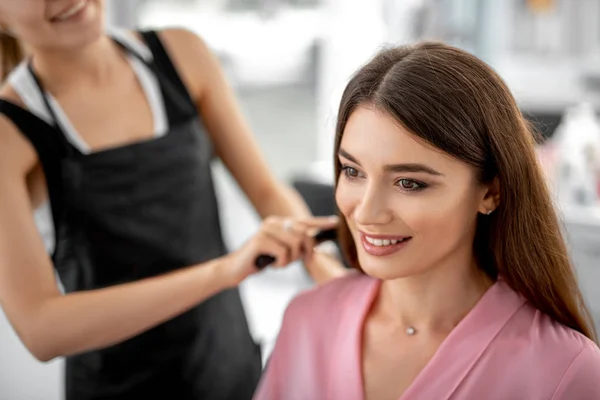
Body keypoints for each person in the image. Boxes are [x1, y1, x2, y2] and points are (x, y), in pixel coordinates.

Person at [0, 1, 348, 399]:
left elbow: (266, 191)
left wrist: (325, 271)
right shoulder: (8, 135)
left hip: (231, 368)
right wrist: (225, 271)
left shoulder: (183, 55)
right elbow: (42, 329)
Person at [253, 42, 600, 400]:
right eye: (352, 171)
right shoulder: (307, 321)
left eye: (409, 183)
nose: (367, 212)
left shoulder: (564, 370)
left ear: (490, 192)